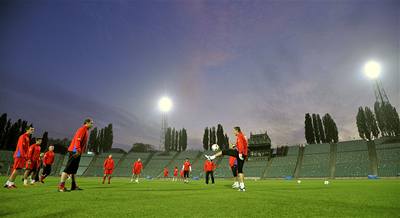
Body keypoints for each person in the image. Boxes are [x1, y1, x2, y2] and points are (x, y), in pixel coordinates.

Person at [205, 126, 248, 191]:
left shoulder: (239, 136)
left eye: (234, 131)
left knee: (224, 151)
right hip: (244, 154)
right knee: (240, 171)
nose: (233, 132)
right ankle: (242, 187)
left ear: (237, 130)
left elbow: (241, 145)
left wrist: (240, 153)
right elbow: (242, 144)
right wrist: (235, 146)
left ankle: (212, 157)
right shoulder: (242, 135)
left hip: (240, 153)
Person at [58, 118, 93, 192]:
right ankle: (61, 187)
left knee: (74, 170)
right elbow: (78, 140)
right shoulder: (82, 129)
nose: (92, 125)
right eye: (91, 123)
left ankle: (74, 186)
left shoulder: (86, 130)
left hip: (77, 151)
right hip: (74, 151)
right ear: (86, 123)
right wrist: (77, 150)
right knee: (68, 169)